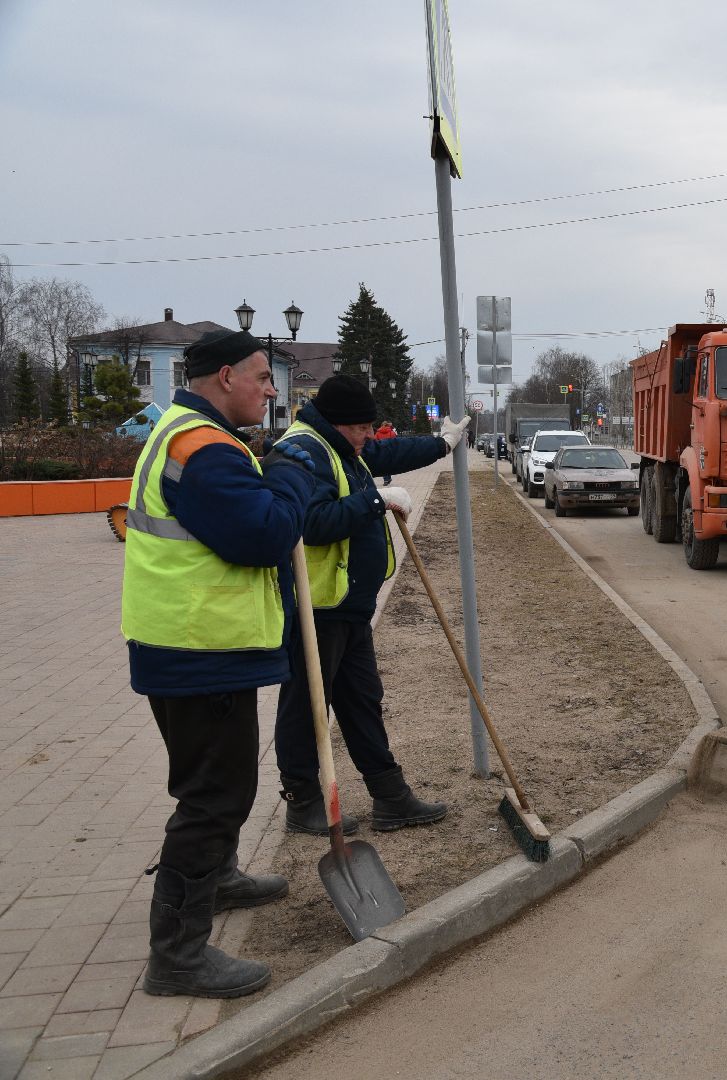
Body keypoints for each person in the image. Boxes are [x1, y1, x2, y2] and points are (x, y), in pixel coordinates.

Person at [121, 327, 320, 998]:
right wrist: (291, 478)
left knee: (214, 788)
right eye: (263, 377)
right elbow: (265, 535)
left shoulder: (185, 431)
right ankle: (177, 957)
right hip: (199, 651)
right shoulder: (203, 449)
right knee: (213, 798)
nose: (271, 391)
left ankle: (222, 878)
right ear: (226, 376)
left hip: (181, 644)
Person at [272, 376, 470, 835]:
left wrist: (442, 444)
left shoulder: (340, 445)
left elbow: (387, 453)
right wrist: (375, 500)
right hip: (316, 607)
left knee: (362, 702)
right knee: (306, 706)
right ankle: (302, 802)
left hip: (349, 605)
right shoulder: (302, 452)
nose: (368, 437)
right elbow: (312, 523)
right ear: (340, 423)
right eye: (362, 428)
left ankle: (390, 797)